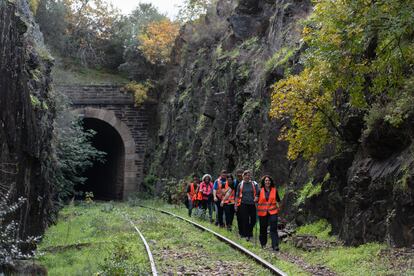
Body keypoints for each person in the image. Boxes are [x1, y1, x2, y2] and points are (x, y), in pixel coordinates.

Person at [257, 175, 281, 251]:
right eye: (266, 181)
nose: (267, 182)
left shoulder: (274, 190)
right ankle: (263, 243)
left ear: (271, 182)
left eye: (269, 180)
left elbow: (278, 200)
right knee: (263, 228)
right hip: (262, 212)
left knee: (273, 228)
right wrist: (255, 199)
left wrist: (278, 208)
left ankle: (275, 245)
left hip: (273, 211)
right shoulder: (260, 190)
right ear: (264, 182)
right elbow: (256, 199)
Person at [235, 170, 259, 241]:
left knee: (254, 220)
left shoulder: (254, 184)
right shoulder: (240, 184)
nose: (247, 177)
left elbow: (258, 192)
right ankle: (247, 235)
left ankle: (249, 231)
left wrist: (257, 197)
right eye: (246, 175)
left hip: (252, 204)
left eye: (249, 175)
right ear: (243, 176)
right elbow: (237, 195)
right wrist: (236, 205)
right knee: (245, 219)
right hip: (243, 204)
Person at [234, 169, 244, 236]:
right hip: (237, 202)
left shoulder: (247, 182)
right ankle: (241, 231)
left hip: (246, 202)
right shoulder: (235, 182)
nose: (239, 176)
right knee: (239, 217)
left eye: (241, 175)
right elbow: (230, 190)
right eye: (238, 175)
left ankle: (245, 231)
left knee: (245, 217)